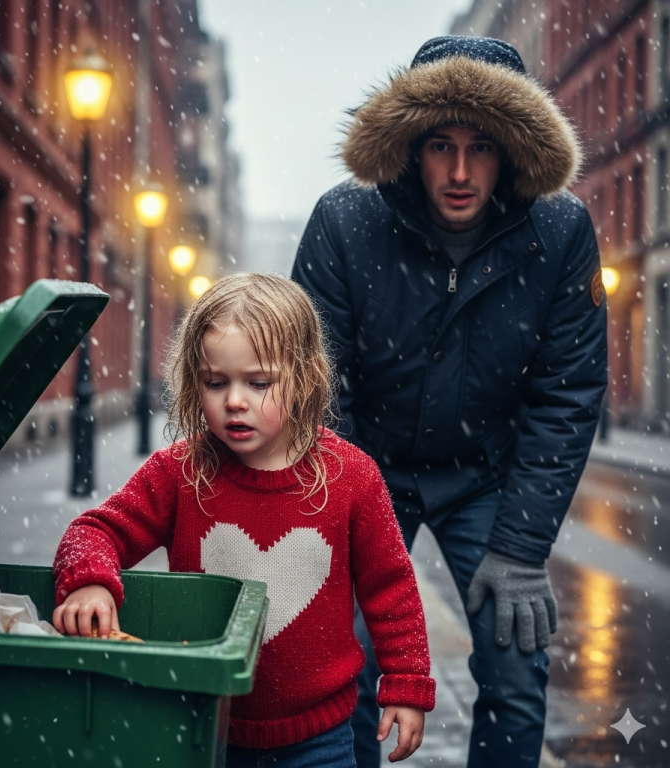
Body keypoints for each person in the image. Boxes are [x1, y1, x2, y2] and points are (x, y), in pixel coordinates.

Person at [292, 35, 607, 768]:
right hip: (364, 469)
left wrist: (522, 550)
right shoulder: (345, 221)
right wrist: (345, 515)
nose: (460, 172)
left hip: (484, 479)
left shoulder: (559, 234)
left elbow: (566, 393)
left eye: (482, 146)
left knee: (517, 673)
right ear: (409, 146)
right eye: (440, 145)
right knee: (351, 667)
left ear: (513, 151)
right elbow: (316, 381)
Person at [52, 273, 436, 767]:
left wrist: (406, 686)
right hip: (202, 726)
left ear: (304, 378)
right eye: (216, 382)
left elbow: (392, 589)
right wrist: (89, 582)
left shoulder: (352, 478)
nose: (235, 400)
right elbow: (95, 531)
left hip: (321, 737)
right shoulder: (179, 473)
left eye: (258, 383)